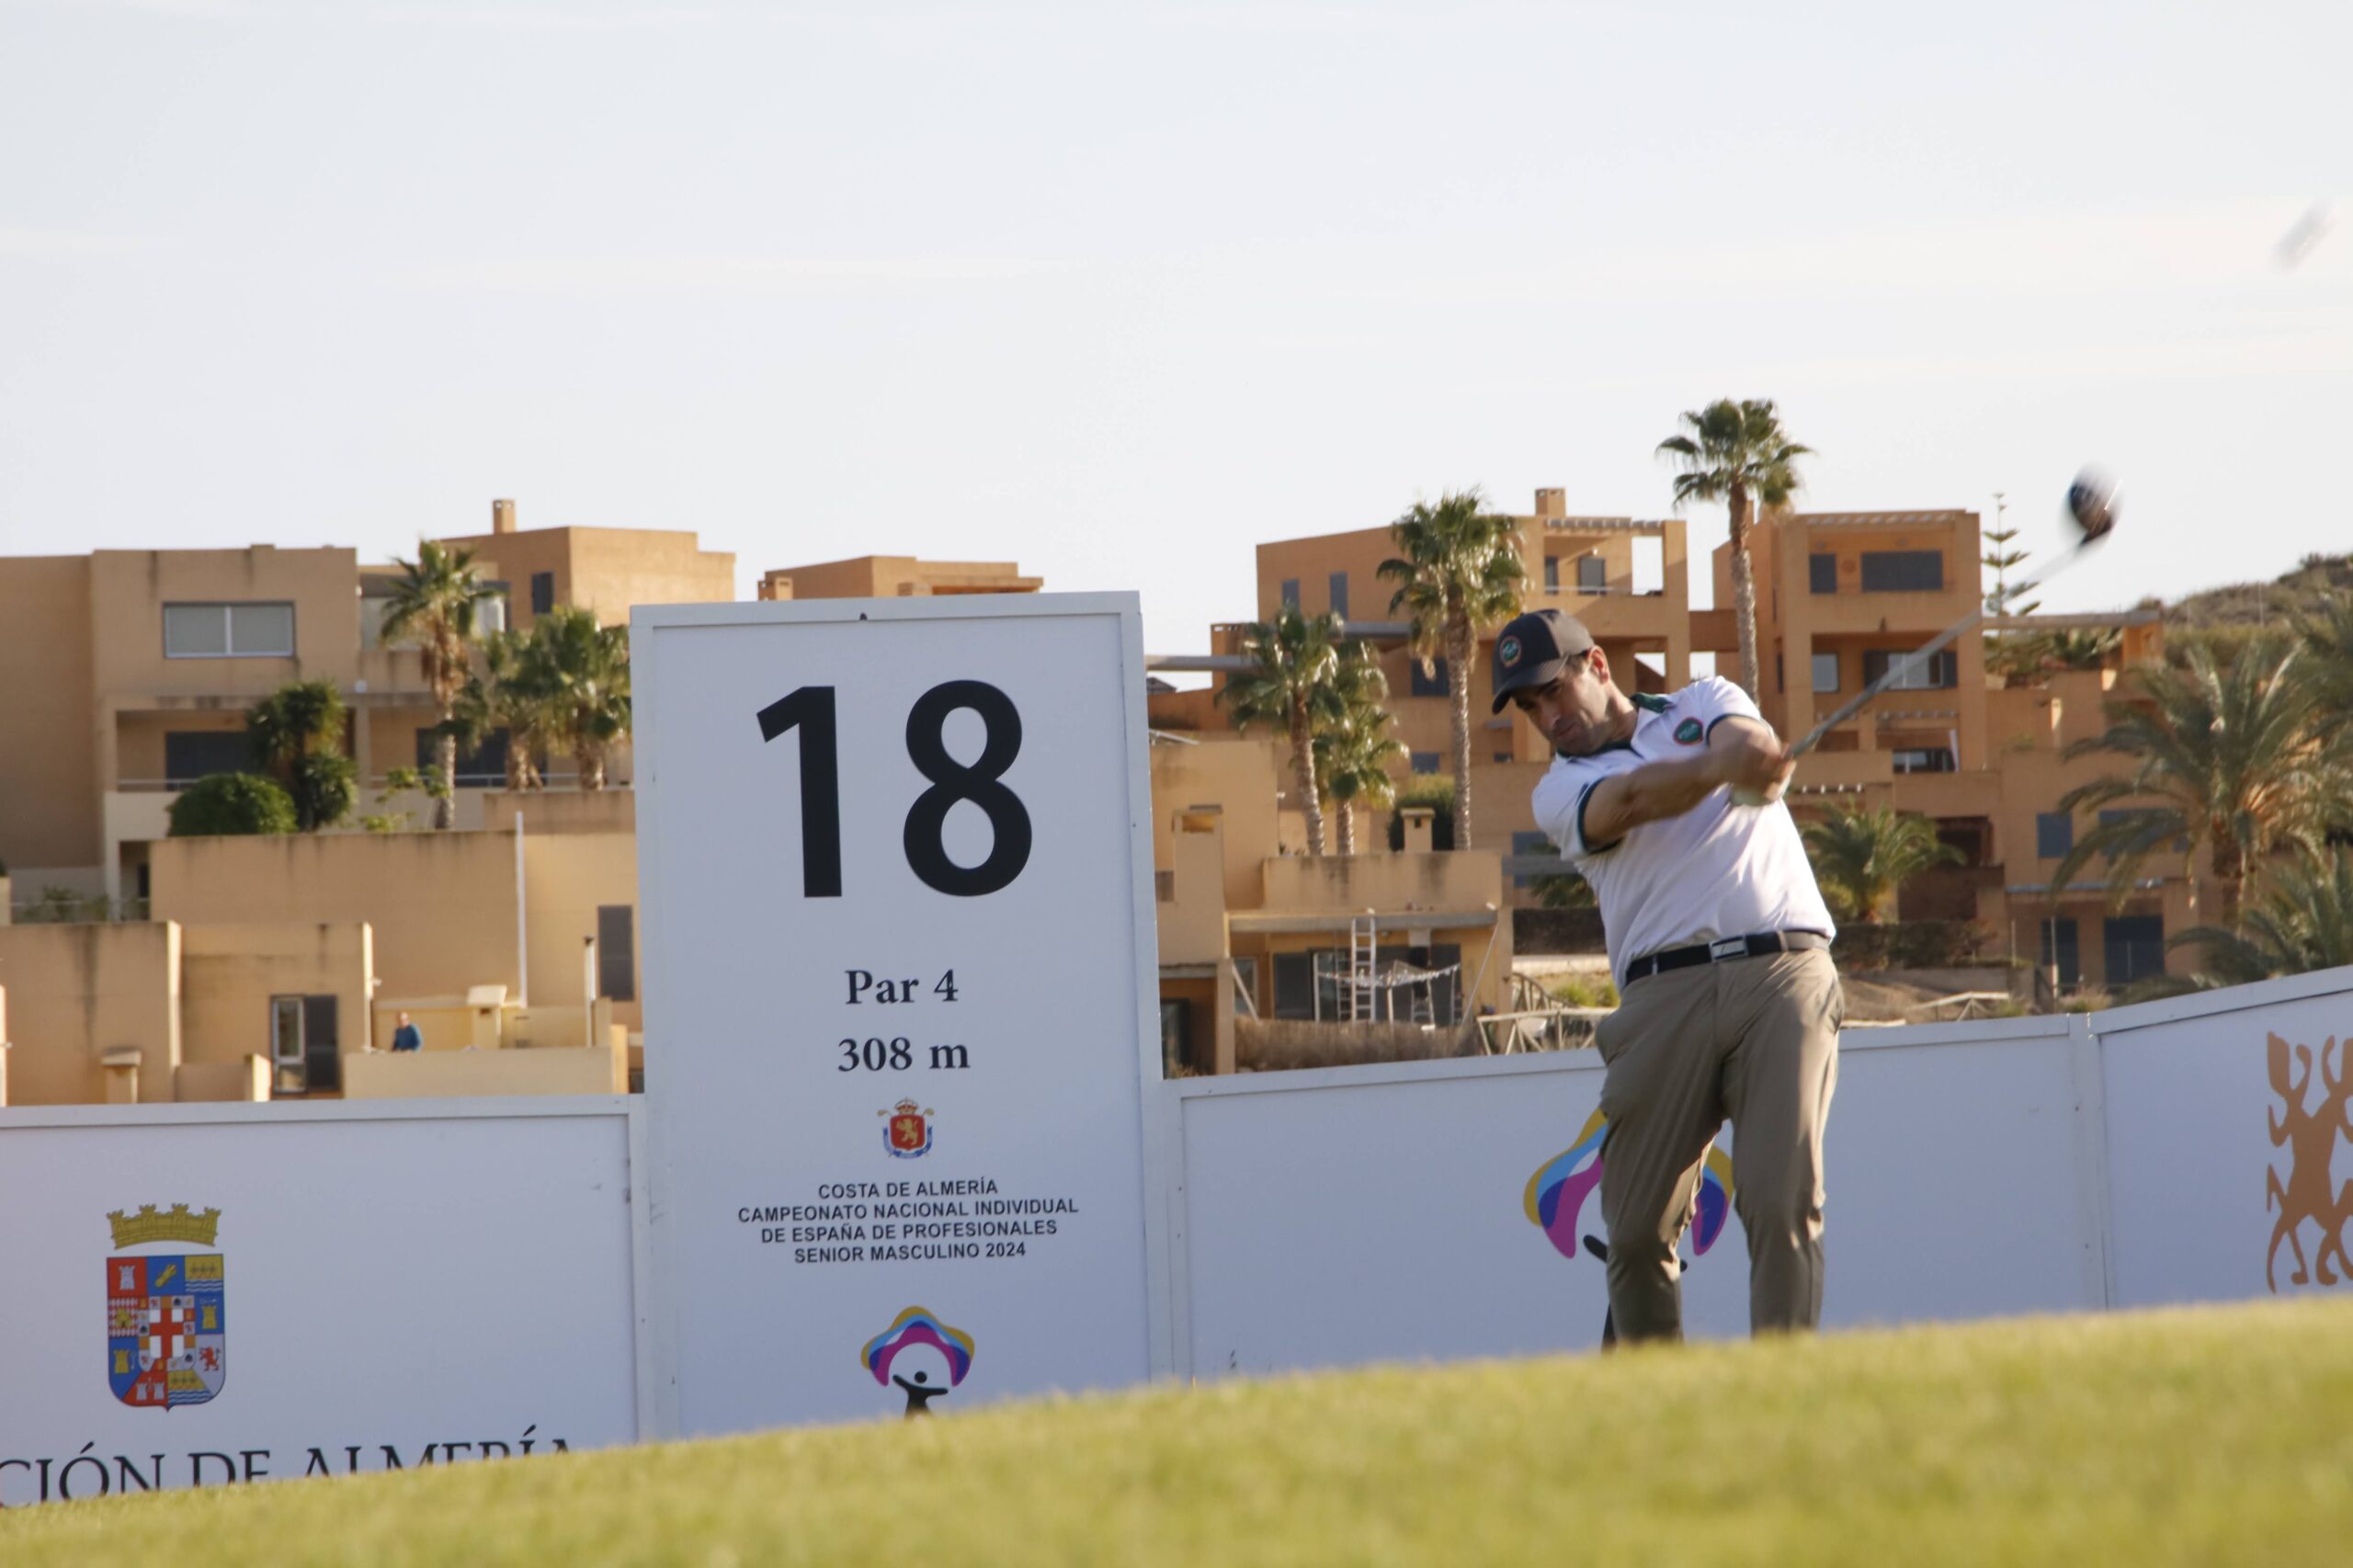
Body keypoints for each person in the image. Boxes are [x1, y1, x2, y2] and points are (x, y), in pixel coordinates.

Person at [1494, 608, 1843, 1343]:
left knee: (1782, 1201)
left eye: (1553, 691)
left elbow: (1745, 741)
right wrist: (1722, 769)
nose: (1546, 716)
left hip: (1783, 974)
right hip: (1662, 998)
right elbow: (1634, 801)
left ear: (1596, 666)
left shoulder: (1704, 699)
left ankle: (1787, 1404)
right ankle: (1658, 1419)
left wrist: (1751, 756)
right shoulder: (1558, 791)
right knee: (1634, 1232)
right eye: (1530, 707)